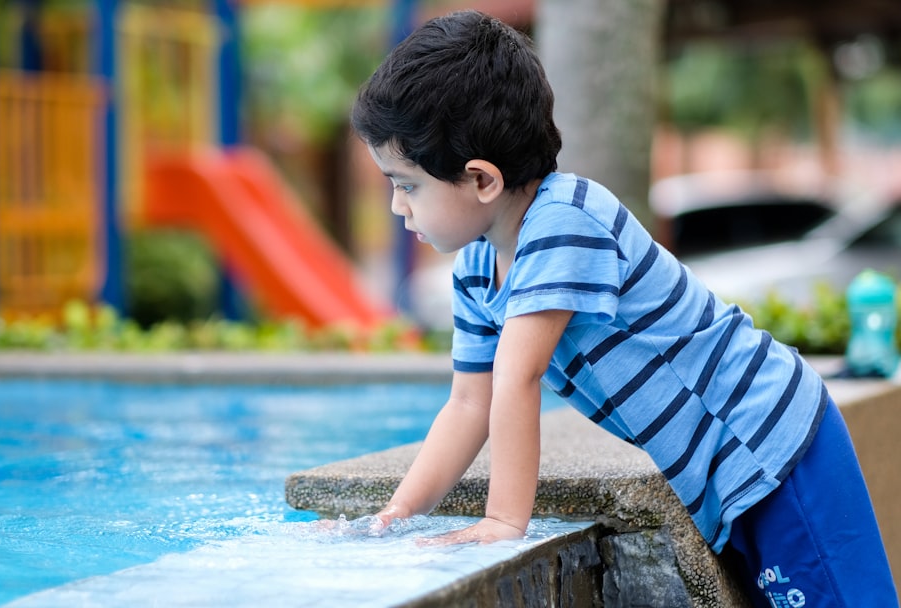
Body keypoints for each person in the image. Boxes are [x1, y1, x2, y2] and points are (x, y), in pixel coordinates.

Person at [349, 9, 897, 607]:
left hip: (773, 444)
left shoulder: (566, 221)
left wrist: (505, 521)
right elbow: (468, 402)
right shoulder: (478, 271)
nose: (398, 208)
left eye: (407, 185)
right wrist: (397, 514)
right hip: (728, 472)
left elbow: (517, 376)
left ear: (482, 179)